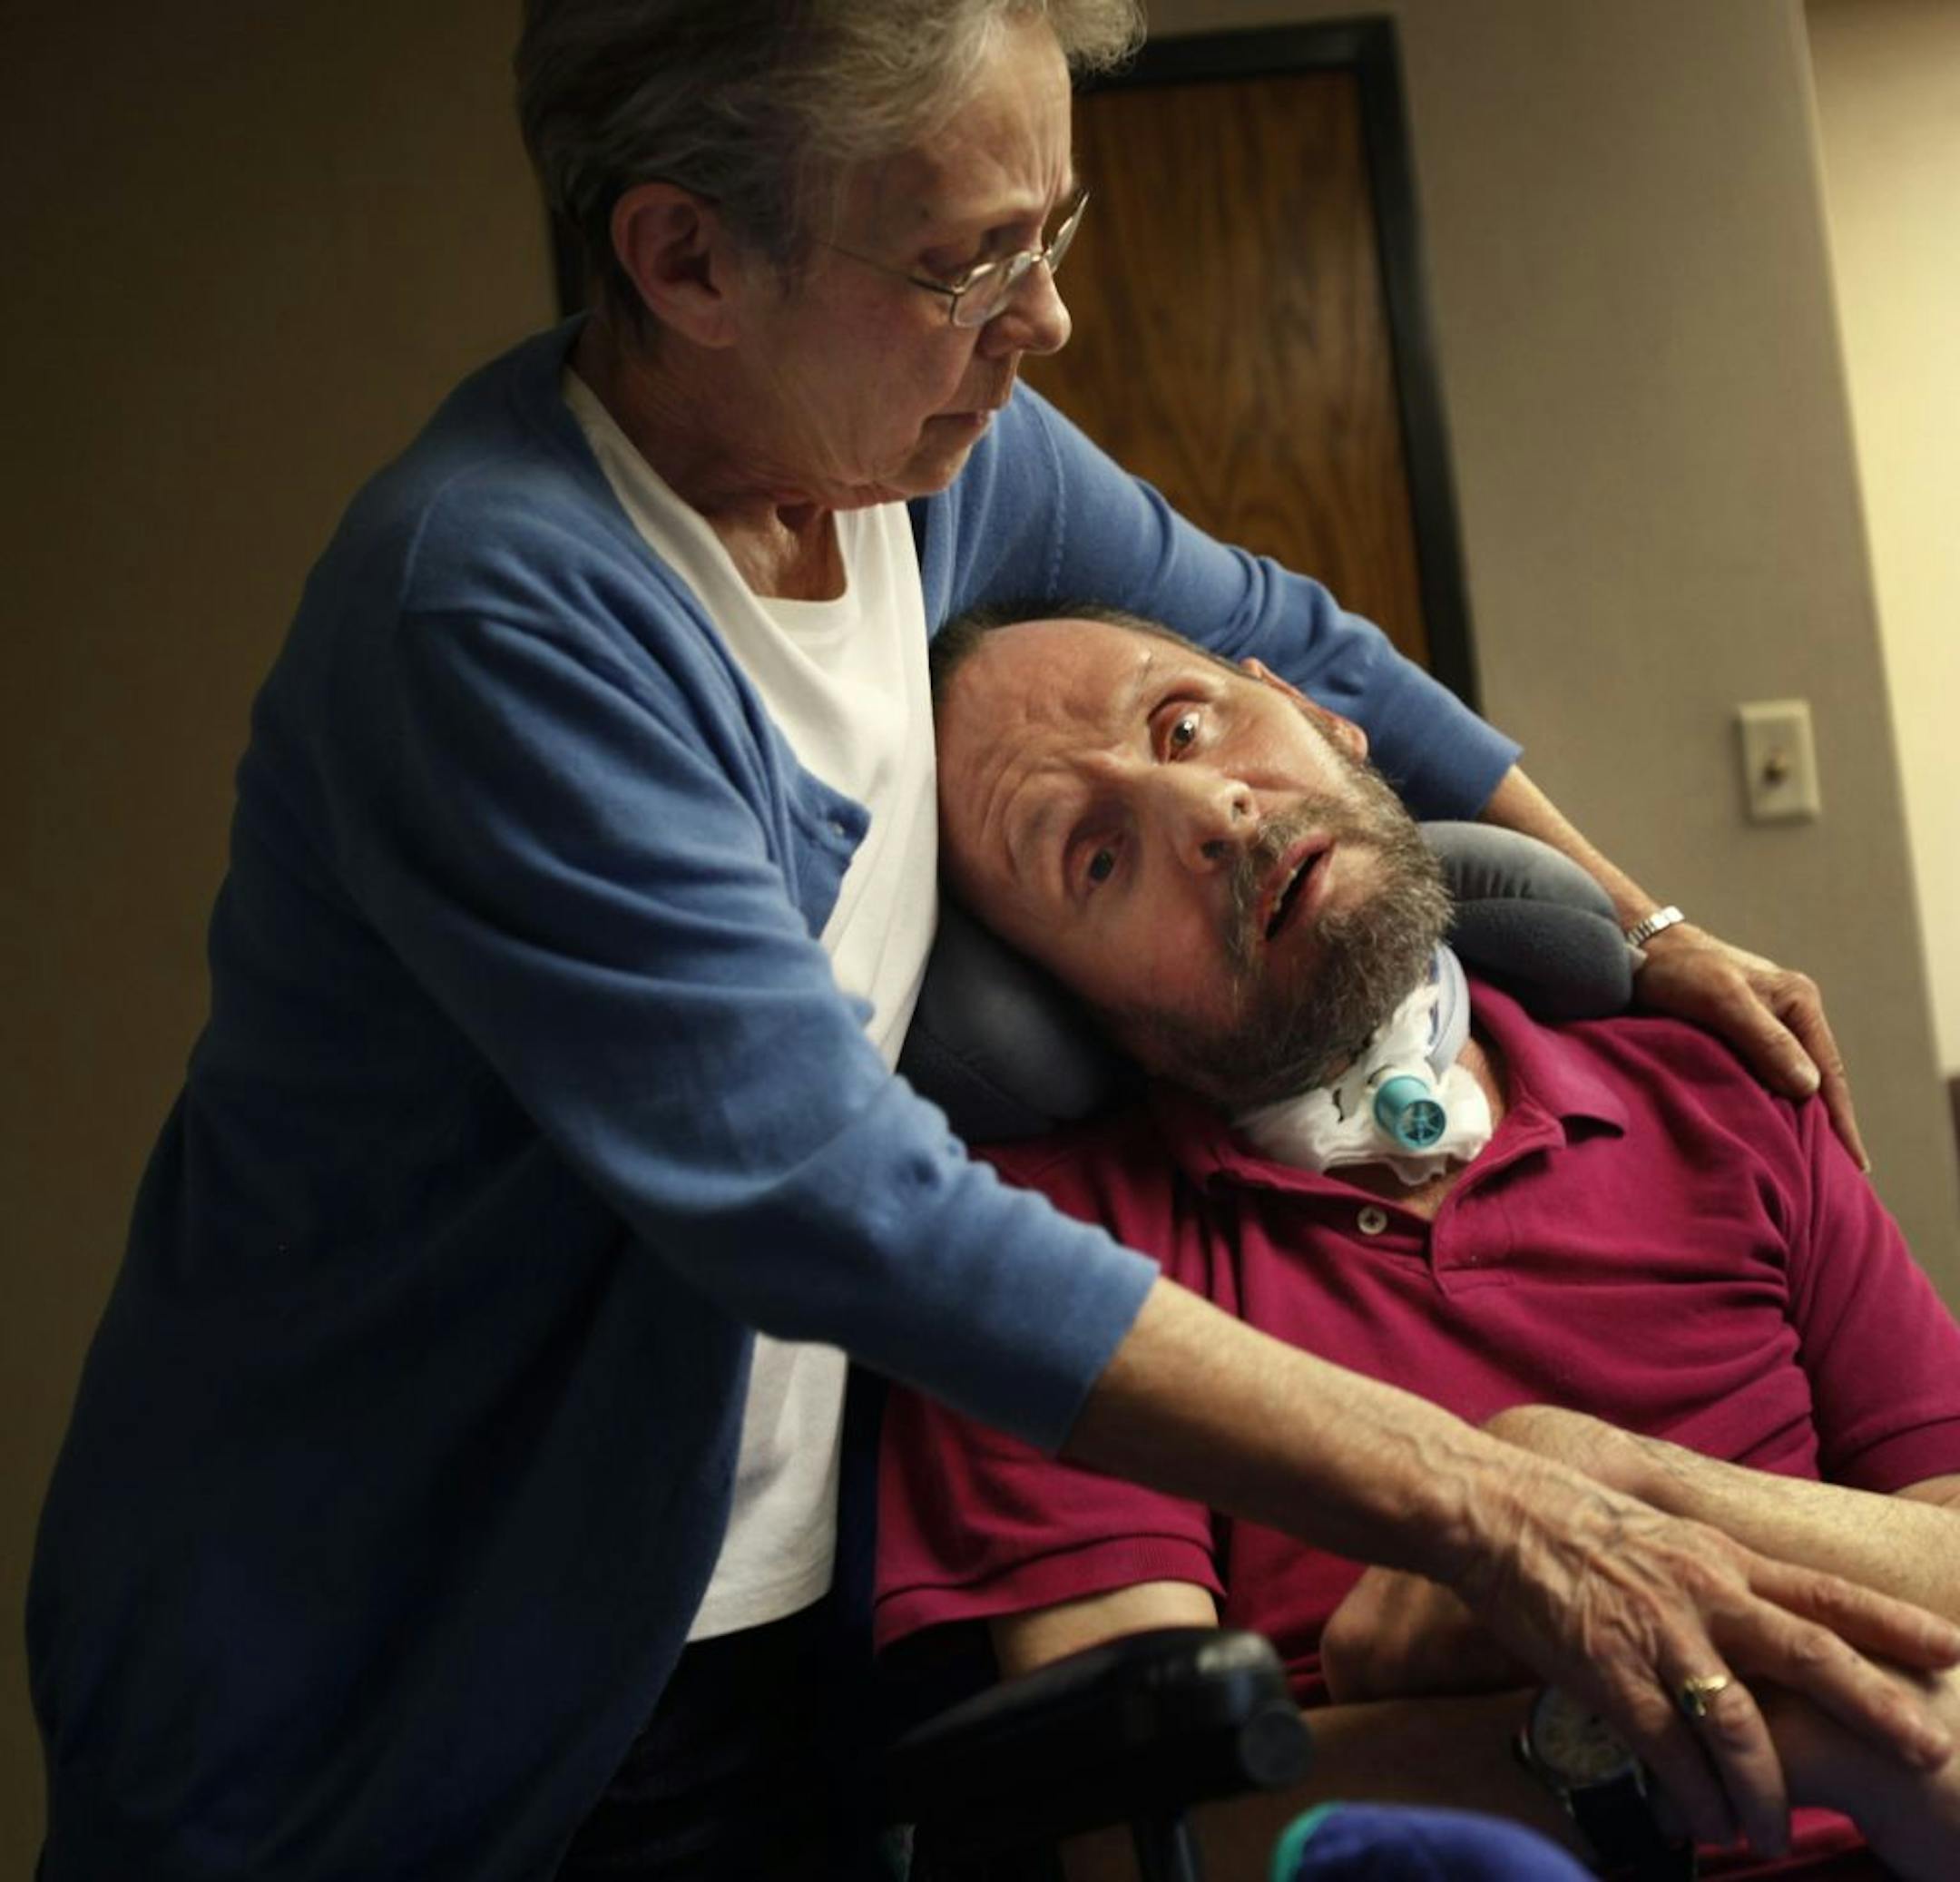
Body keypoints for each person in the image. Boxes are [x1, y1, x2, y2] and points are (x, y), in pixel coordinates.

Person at [23, 5, 1942, 1878]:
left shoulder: (927, 465)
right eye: (967, 265)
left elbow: (1311, 647)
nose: (1048, 324)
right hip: (400, 1653)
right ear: (686, 257)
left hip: (772, 1601)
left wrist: (1636, 929)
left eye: (1056, 230)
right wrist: (1504, 1500)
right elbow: (842, 1205)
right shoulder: (495, 612)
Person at [875, 606, 1960, 1878]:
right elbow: (1129, 1830)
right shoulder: (1034, 1261)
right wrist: (1691, 1738)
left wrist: (1607, 1480)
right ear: (1067, 1004)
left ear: (1325, 716)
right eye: (1099, 860)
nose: (1213, 816)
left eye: (1186, 723)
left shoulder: (1716, 1085)